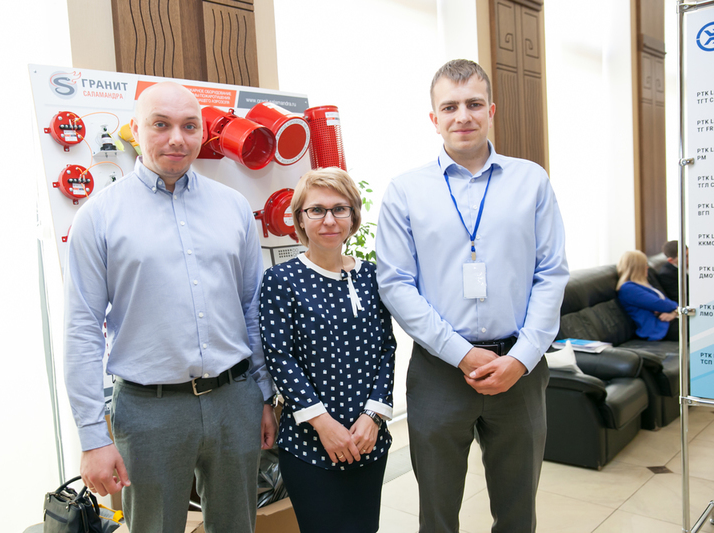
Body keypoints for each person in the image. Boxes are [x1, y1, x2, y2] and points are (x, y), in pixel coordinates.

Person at [63, 81, 278, 533]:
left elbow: (252, 307)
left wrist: (262, 394)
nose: (177, 139)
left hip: (234, 399)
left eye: (189, 126)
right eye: (160, 125)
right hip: (149, 411)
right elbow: (82, 328)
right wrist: (92, 437)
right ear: (135, 130)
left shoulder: (234, 207)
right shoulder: (98, 216)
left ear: (202, 132)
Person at [376, 59, 569, 533]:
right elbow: (396, 283)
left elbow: (551, 273)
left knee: (518, 511)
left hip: (519, 370)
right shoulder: (405, 191)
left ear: (491, 111)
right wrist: (462, 353)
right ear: (434, 118)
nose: (462, 116)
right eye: (450, 107)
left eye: (474, 104)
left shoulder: (531, 180)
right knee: (437, 514)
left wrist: (521, 358)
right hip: (440, 372)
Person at [259, 168, 396, 533]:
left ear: (354, 216)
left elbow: (386, 347)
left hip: (368, 437)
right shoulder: (281, 280)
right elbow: (279, 357)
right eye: (317, 210)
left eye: (340, 209)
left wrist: (374, 416)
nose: (329, 220)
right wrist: (324, 425)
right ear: (300, 218)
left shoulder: (373, 276)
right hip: (310, 443)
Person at [617, 250, 679, 342]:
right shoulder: (628, 288)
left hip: (668, 322)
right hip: (660, 328)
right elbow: (661, 304)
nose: (647, 267)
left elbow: (667, 303)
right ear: (637, 268)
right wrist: (674, 308)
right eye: (645, 264)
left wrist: (673, 312)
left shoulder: (643, 284)